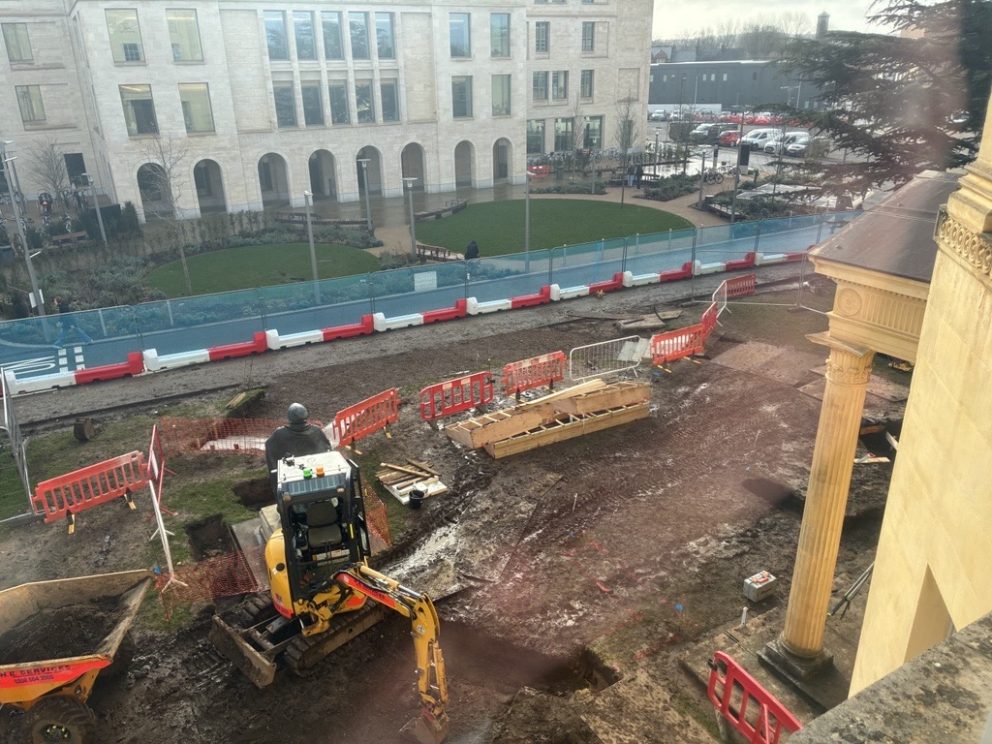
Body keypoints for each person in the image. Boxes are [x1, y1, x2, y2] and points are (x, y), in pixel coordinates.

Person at [264, 403, 332, 491]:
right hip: (321, 480)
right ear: (306, 415)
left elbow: (270, 450)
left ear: (289, 417)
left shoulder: (279, 434)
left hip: (293, 484)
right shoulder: (316, 431)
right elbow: (328, 451)